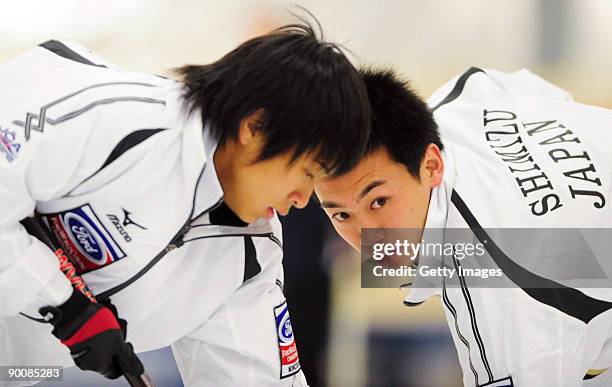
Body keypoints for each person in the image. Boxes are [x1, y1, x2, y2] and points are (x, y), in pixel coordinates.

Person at [0, 22, 370, 386]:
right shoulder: (115, 118)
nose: (303, 200)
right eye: (306, 172)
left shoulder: (252, 256)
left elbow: (256, 377)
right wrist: (62, 302)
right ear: (255, 127)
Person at [315, 67, 612, 386]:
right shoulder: (465, 95)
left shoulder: (503, 298)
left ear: (431, 166)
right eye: (342, 215)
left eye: (378, 201)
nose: (370, 236)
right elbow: (555, 101)